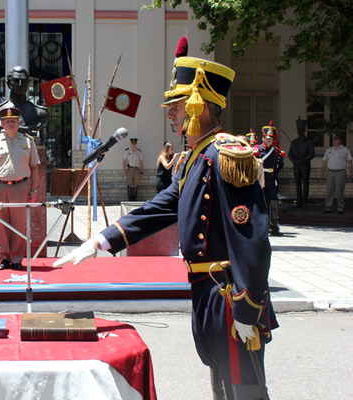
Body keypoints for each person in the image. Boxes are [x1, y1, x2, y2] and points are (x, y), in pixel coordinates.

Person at [55, 38, 277, 400]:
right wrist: (102, 240)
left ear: (198, 106)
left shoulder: (226, 155)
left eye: (175, 106)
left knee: (246, 391)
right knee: (222, 387)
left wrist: (248, 306)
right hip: (206, 292)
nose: (170, 114)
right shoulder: (195, 159)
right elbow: (160, 207)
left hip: (229, 296)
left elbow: (249, 239)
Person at [0, 107, 40, 271]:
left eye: (13, 121)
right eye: (7, 121)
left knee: (19, 224)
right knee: (1, 224)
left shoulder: (27, 141)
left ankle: (16, 258)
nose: (10, 123)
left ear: (19, 122)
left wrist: (33, 189)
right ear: (1, 124)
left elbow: (34, 167)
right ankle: (4, 257)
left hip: (21, 187)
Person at [0, 66, 48, 133]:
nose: (20, 84)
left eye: (23, 81)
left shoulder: (39, 112)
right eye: (16, 81)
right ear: (9, 84)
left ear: (28, 84)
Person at [254, 123, 284, 236]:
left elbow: (280, 165)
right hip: (261, 180)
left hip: (271, 180)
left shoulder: (276, 152)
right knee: (262, 203)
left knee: (273, 203)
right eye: (267, 139)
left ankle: (274, 226)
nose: (268, 141)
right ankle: (262, 226)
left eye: (270, 139)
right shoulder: (257, 150)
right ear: (263, 138)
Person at [320, 132, 353, 215]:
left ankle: (340, 208)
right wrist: (322, 172)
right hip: (330, 171)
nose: (334, 141)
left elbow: (350, 161)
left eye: (336, 139)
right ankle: (328, 207)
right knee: (329, 191)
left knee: (339, 190)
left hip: (340, 172)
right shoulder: (329, 150)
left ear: (340, 141)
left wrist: (350, 172)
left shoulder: (345, 150)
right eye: (333, 140)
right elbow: (324, 162)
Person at [288, 117, 315, 208]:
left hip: (305, 165)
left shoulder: (308, 141)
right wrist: (296, 161)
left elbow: (312, 154)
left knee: (305, 182)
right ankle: (299, 200)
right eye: (298, 130)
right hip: (297, 165)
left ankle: (304, 201)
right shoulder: (294, 142)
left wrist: (304, 160)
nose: (299, 132)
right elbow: (290, 154)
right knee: (297, 182)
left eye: (301, 130)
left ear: (304, 130)